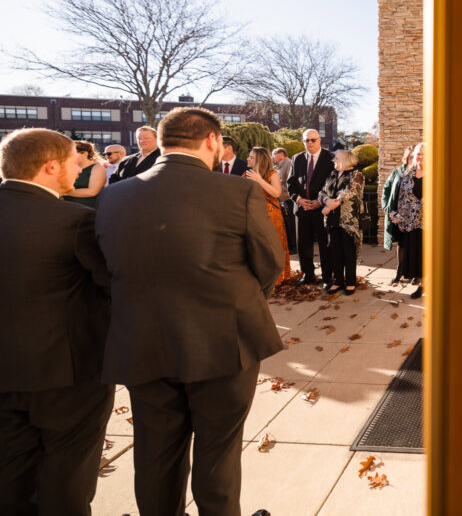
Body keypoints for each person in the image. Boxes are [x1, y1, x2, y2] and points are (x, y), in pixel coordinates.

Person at [95, 107, 283, 516]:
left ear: (160, 142)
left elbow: (104, 269)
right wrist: (241, 301)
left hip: (144, 342)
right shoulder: (239, 192)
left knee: (155, 452)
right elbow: (270, 265)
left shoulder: (112, 196)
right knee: (218, 453)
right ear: (213, 141)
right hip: (224, 344)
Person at [0, 128, 114, 516]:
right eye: (73, 161)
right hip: (67, 375)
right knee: (67, 482)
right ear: (51, 167)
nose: (79, 167)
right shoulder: (75, 222)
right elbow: (112, 288)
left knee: (10, 480)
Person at [287, 129, 334, 288]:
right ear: (303, 141)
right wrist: (298, 199)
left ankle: (328, 277)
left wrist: (320, 201)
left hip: (321, 209)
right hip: (302, 209)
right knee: (303, 244)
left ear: (319, 140)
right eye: (307, 140)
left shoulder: (330, 158)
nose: (310, 143)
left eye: (313, 140)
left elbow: (333, 185)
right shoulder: (297, 158)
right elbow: (291, 183)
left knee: (324, 244)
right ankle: (308, 274)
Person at [319, 150, 365, 295]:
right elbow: (321, 192)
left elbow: (349, 192)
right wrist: (326, 200)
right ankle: (338, 281)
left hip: (348, 221)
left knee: (349, 252)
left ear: (345, 160)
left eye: (336, 158)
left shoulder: (356, 174)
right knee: (335, 252)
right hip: (332, 220)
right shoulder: (333, 174)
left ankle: (350, 282)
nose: (333, 160)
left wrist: (331, 205)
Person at [245, 146, 291, 286]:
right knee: (256, 247)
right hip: (252, 214)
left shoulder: (272, 174)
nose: (248, 159)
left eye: (251, 157)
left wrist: (259, 179)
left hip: (271, 215)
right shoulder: (247, 173)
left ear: (259, 160)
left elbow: (277, 193)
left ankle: (278, 278)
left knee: (273, 246)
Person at [392, 142, 425, 298]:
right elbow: (402, 199)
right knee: (417, 255)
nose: (421, 157)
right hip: (412, 222)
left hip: (431, 223)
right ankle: (423, 286)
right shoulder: (408, 174)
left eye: (425, 154)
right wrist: (400, 220)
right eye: (418, 154)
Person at [381, 146, 413, 285]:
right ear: (406, 158)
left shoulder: (422, 173)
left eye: (415, 156)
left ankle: (415, 274)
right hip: (398, 216)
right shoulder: (397, 172)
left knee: (415, 244)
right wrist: (387, 208)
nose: (413, 159)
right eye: (410, 157)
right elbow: (386, 190)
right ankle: (399, 272)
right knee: (402, 244)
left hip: (414, 216)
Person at [63, 139, 107, 208]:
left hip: (87, 209)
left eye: (73, 153)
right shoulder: (69, 167)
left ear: (85, 153)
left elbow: (92, 192)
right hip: (68, 208)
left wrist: (63, 192)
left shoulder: (97, 168)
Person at [272, 147, 296, 253]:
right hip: (281, 198)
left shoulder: (289, 163)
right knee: (286, 223)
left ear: (281, 154)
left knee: (290, 223)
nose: (272, 157)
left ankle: (293, 247)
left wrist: (279, 192)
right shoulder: (278, 166)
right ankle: (289, 246)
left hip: (287, 199)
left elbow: (289, 183)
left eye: (274, 154)